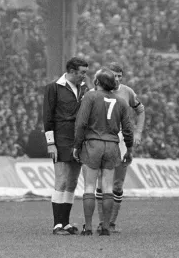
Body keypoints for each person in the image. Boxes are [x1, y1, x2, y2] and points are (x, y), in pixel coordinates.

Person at [73, 67, 134, 236]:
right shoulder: (121, 102)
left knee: (90, 186)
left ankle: (88, 227)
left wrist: (77, 145)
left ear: (98, 82)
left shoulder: (90, 96)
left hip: (93, 144)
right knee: (108, 187)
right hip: (112, 145)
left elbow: (81, 123)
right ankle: (106, 227)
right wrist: (129, 149)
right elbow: (128, 129)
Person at [95, 62, 145, 233]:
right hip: (101, 139)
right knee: (102, 182)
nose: (116, 79)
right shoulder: (96, 92)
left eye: (119, 76)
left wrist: (137, 133)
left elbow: (141, 110)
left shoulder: (127, 92)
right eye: (113, 75)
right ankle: (102, 223)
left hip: (123, 141)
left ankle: (112, 223)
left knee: (117, 184)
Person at [43, 57, 89, 235]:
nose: (84, 76)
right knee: (61, 180)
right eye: (82, 72)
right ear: (71, 71)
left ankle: (66, 223)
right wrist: (50, 143)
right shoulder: (53, 88)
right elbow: (47, 117)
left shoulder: (84, 88)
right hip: (61, 138)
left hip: (78, 139)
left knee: (72, 182)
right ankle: (57, 225)